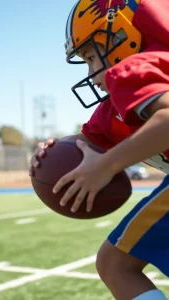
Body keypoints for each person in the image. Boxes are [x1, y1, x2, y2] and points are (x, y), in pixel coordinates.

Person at [29, 0, 169, 299]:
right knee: (114, 262)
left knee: (114, 263)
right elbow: (89, 138)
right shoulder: (114, 110)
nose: (92, 73)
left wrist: (105, 167)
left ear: (123, 36)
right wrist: (53, 149)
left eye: (92, 56)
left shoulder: (132, 70)